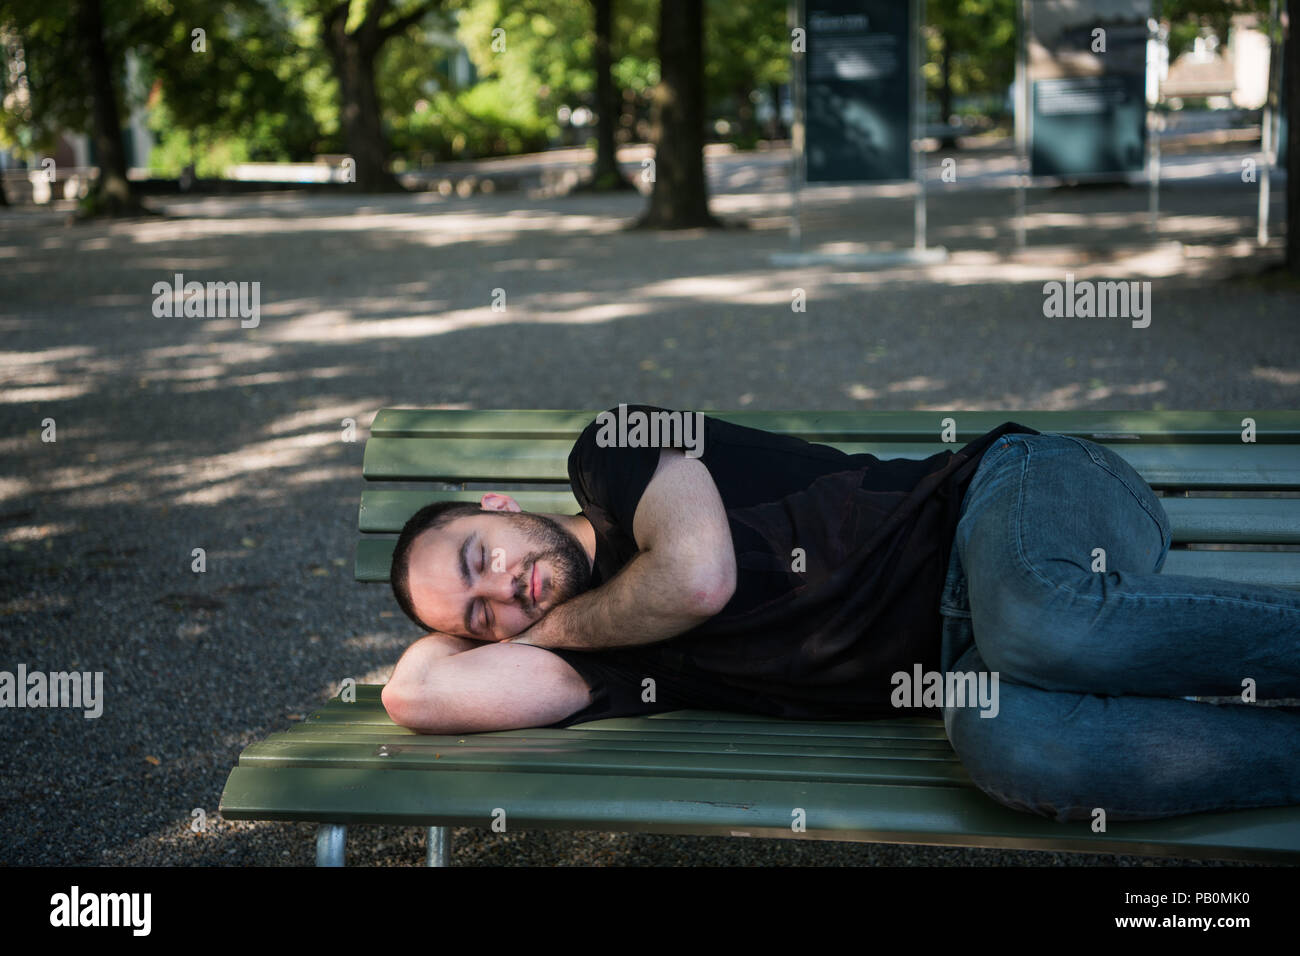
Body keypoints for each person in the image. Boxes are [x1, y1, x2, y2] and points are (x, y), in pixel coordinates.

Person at [381, 404, 1300, 823]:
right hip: (967, 660)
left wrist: (546, 628)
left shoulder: (610, 455)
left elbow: (696, 577)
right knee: (1013, 746)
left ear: (498, 505)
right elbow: (416, 698)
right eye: (476, 616)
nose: (504, 593)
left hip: (1010, 498)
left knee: (1039, 620)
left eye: (479, 559)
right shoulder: (605, 660)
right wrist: (483, 639)